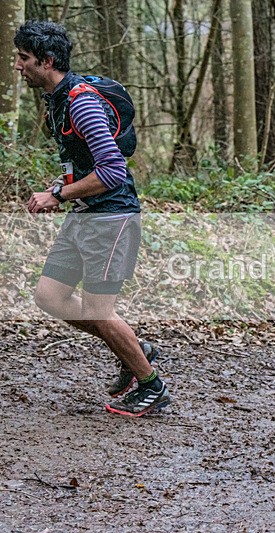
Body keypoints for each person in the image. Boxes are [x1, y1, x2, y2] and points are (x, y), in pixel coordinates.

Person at [15, 21, 170, 416]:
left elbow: (113, 171)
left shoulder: (81, 101)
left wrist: (57, 195)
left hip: (111, 217)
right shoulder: (57, 98)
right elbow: (84, 162)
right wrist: (60, 185)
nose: (18, 65)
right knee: (49, 297)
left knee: (101, 312)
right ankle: (134, 346)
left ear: (47, 61)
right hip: (85, 215)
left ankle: (151, 386)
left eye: (24, 58)